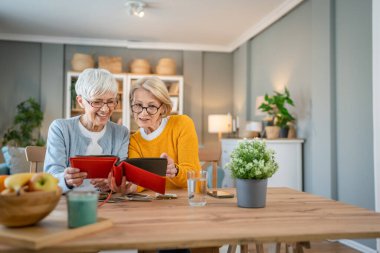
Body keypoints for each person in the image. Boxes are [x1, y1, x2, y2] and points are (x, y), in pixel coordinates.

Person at [44, 68, 135, 193]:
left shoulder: (121, 133)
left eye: (110, 102)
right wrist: (66, 180)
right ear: (81, 101)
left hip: (108, 204)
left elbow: (122, 175)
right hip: (69, 201)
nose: (105, 109)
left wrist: (114, 182)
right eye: (97, 102)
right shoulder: (60, 128)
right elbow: (51, 177)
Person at [126, 76, 201, 191]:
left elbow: (193, 175)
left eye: (151, 106)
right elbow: (139, 182)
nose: (143, 113)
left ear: (163, 108)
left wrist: (175, 170)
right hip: (155, 204)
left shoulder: (182, 124)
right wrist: (125, 187)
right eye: (138, 105)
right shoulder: (134, 141)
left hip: (187, 201)